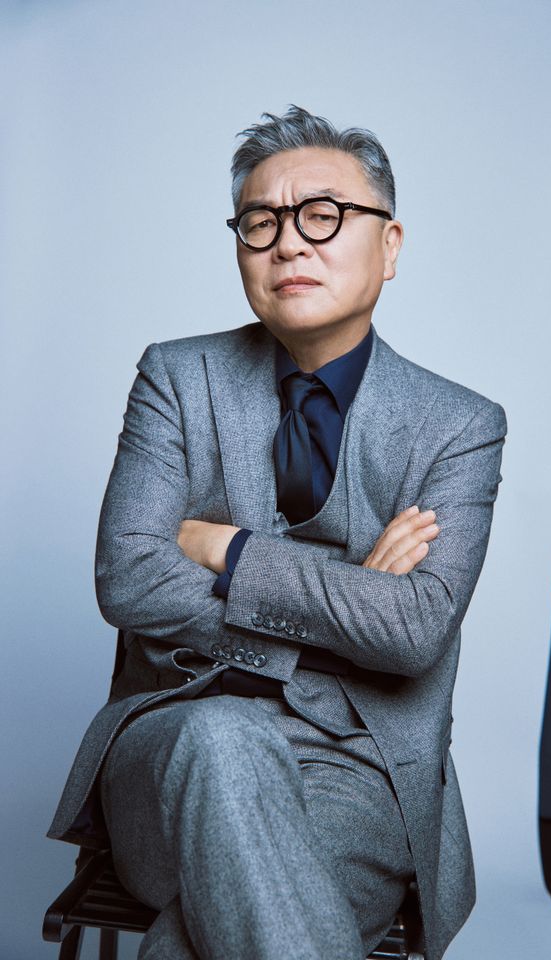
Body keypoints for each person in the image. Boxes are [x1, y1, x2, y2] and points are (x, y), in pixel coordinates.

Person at [47, 105, 507, 960]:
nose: (289, 243)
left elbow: (413, 632)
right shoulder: (177, 377)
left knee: (211, 935)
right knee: (227, 737)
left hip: (358, 769)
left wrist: (229, 550)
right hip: (178, 747)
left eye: (322, 215)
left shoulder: (460, 426)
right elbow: (128, 578)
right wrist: (351, 607)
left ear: (390, 245)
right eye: (261, 222)